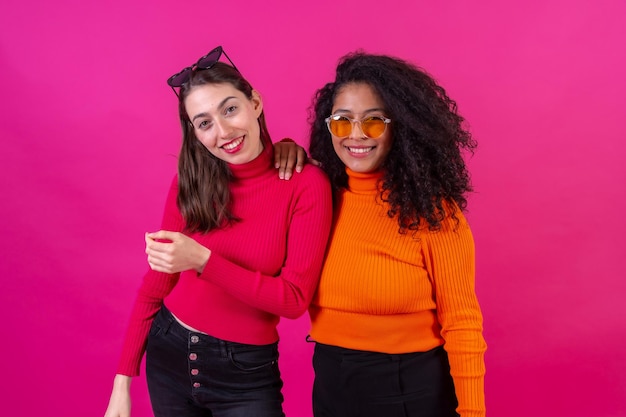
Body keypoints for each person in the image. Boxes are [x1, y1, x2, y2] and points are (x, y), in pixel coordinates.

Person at [104, 46, 333, 417]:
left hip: (244, 373)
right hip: (168, 355)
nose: (224, 131)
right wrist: (121, 383)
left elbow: (293, 299)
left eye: (230, 109)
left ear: (254, 102)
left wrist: (202, 260)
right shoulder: (189, 182)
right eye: (204, 122)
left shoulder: (306, 184)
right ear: (195, 133)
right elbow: (155, 286)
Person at [277, 51, 487, 417]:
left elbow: (463, 322)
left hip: (407, 388)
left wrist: (472, 413)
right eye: (342, 121)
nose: (356, 135)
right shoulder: (317, 197)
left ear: (400, 127)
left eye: (374, 121)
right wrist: (276, 154)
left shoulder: (433, 211)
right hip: (330, 379)